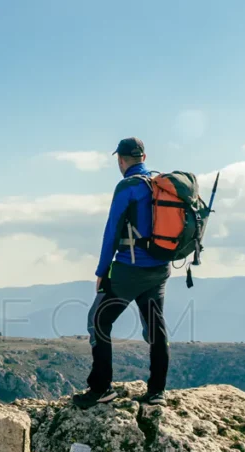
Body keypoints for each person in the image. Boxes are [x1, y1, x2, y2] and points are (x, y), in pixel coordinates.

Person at [72, 137, 170, 409]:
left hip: (130, 269)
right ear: (144, 156)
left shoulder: (127, 186)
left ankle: (101, 388)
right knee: (156, 326)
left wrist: (102, 271)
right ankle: (157, 391)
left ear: (121, 160)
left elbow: (112, 231)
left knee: (98, 320)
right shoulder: (158, 184)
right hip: (160, 269)